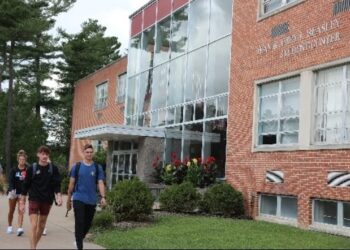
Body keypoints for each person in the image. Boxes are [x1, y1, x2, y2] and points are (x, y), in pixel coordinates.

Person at [19, 145, 62, 250]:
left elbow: (56, 185)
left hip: (47, 200)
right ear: (38, 154)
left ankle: (33, 246)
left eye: (46, 154)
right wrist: (22, 202)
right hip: (34, 199)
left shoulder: (53, 169)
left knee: (41, 226)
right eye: (42, 154)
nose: (44, 156)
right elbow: (25, 186)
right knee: (33, 225)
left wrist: (59, 196)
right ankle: (33, 248)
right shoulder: (31, 168)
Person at [66, 144, 106, 250]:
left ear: (93, 153)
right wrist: (69, 198)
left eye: (90, 152)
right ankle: (80, 246)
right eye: (87, 152)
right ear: (83, 153)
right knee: (79, 221)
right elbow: (71, 183)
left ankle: (79, 238)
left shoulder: (97, 167)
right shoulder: (77, 166)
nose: (89, 154)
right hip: (78, 198)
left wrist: (103, 197)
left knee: (88, 223)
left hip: (91, 200)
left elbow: (100, 182)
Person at [7, 150, 28, 236]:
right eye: (20, 159)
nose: (22, 161)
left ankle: (19, 228)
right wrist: (12, 189)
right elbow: (10, 181)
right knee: (11, 210)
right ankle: (9, 226)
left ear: (25, 160)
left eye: (23, 159)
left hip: (22, 193)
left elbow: (29, 181)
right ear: (18, 160)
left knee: (21, 210)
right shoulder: (13, 170)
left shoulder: (27, 170)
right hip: (13, 192)